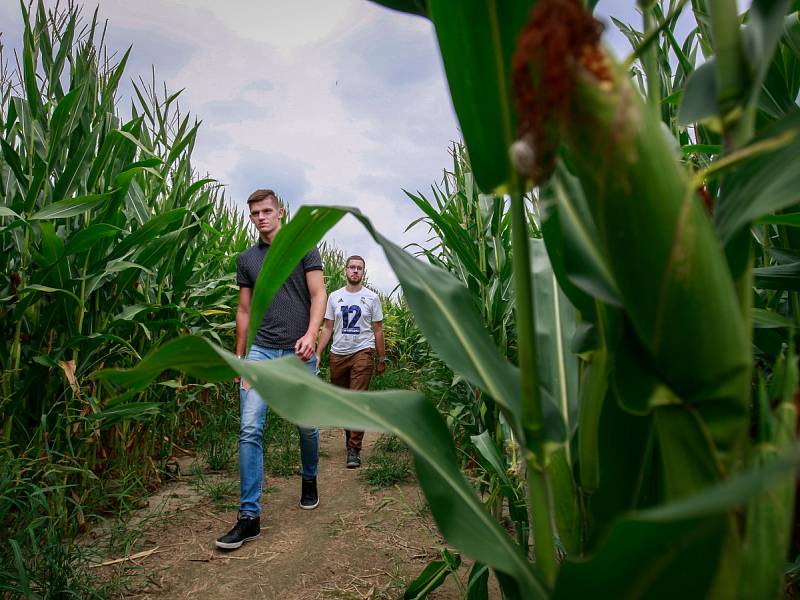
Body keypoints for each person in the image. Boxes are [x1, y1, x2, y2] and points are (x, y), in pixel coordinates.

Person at [215, 189, 327, 551]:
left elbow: (319, 294)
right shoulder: (247, 259)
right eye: (255, 213)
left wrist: (312, 334)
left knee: (307, 425)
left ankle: (309, 478)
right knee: (249, 427)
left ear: (280, 212)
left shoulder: (303, 247)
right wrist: (241, 357)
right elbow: (244, 311)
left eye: (267, 211)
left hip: (298, 352)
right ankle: (249, 517)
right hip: (261, 352)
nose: (261, 217)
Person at [316, 255, 386, 468]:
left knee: (357, 400)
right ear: (345, 270)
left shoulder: (371, 298)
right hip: (338, 354)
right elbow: (328, 327)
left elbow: (378, 330)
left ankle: (354, 449)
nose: (355, 271)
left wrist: (381, 358)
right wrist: (319, 352)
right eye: (352, 267)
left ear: (363, 272)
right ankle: (351, 438)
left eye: (359, 268)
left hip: (363, 353)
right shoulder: (334, 297)